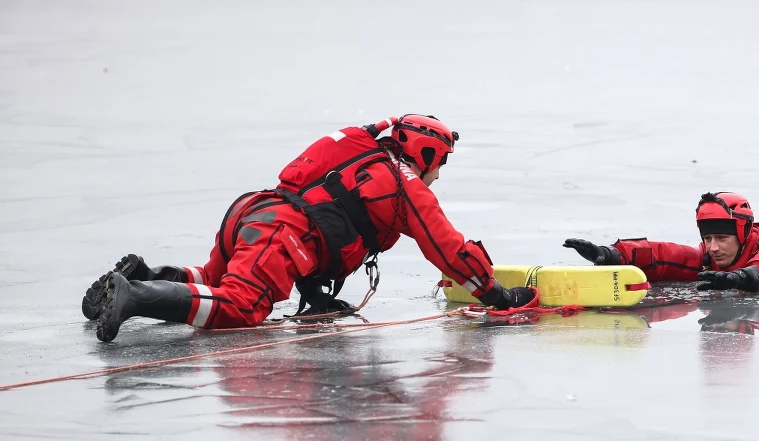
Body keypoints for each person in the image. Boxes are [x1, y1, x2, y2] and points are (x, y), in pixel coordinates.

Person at [81, 115, 535, 341]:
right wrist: (497, 296)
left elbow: (331, 211)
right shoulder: (403, 184)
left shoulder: (359, 148)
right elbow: (447, 248)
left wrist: (314, 295)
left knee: (214, 279)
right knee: (241, 308)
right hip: (283, 235)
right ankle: (134, 296)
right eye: (442, 164)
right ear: (428, 154)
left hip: (253, 213)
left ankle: (145, 273)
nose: (440, 175)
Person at [562, 191, 759, 291]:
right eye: (707, 238)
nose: (713, 247)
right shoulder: (707, 258)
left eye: (722, 238)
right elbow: (667, 257)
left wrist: (745, 277)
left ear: (743, 233)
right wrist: (611, 255)